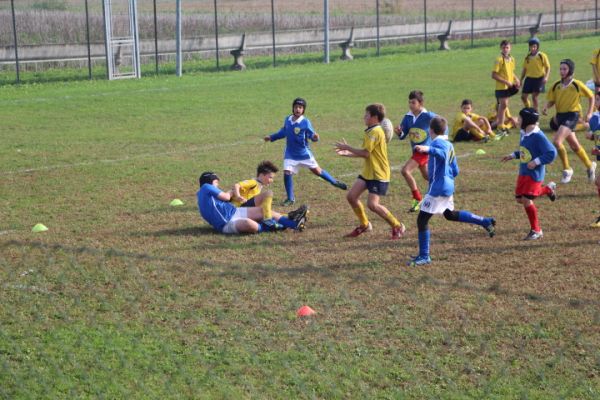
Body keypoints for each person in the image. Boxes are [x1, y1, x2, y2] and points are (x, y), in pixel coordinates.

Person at [407, 116, 496, 267]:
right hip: (447, 185)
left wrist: (427, 149)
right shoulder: (449, 144)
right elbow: (455, 170)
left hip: (438, 188)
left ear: (431, 130)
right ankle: (484, 221)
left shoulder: (437, 143)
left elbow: (440, 154)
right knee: (449, 214)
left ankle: (424, 256)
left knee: (422, 220)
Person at [334, 103, 406, 239]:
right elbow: (365, 153)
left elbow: (366, 153)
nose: (364, 117)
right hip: (369, 172)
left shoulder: (375, 132)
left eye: (366, 115)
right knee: (351, 197)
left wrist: (347, 147)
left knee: (372, 205)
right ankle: (365, 225)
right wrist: (347, 153)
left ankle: (397, 225)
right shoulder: (370, 130)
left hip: (378, 174)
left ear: (374, 117)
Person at [264, 97, 347, 206]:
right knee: (287, 173)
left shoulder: (305, 122)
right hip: (290, 153)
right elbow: (283, 132)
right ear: (293, 108)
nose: (298, 109)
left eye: (300, 107)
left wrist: (315, 137)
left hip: (304, 153)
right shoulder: (288, 119)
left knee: (317, 171)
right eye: (296, 107)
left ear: (303, 110)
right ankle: (290, 198)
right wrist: (271, 137)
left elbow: (312, 136)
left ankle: (334, 182)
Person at [501, 108, 557, 240]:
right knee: (519, 199)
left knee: (527, 199)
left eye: (520, 118)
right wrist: (513, 155)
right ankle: (548, 189)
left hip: (534, 174)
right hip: (523, 172)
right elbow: (524, 151)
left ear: (526, 121)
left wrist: (537, 162)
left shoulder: (538, 136)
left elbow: (552, 153)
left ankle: (536, 230)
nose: (517, 120)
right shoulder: (524, 132)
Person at [197, 171, 308, 234]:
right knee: (249, 224)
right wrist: (232, 191)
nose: (217, 186)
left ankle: (293, 224)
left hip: (234, 211)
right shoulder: (206, 187)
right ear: (211, 181)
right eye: (216, 182)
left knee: (263, 211)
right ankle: (278, 224)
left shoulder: (202, 195)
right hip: (226, 224)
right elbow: (226, 197)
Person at [542, 59, 597, 184]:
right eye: (560, 69)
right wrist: (546, 106)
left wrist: (589, 113)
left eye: (564, 69)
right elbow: (552, 100)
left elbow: (591, 96)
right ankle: (589, 166)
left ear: (570, 70)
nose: (562, 71)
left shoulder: (576, 84)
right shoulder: (556, 85)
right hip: (560, 116)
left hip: (573, 115)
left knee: (556, 141)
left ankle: (567, 169)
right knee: (574, 145)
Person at [394, 90, 436, 212]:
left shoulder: (428, 116)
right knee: (426, 176)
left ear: (420, 103)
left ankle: (417, 198)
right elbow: (403, 135)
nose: (410, 105)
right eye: (409, 102)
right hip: (415, 151)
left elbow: (442, 123)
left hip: (423, 151)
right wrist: (399, 132)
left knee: (405, 171)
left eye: (413, 102)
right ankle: (442, 186)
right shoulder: (407, 117)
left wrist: (443, 137)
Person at [491, 40, 520, 136]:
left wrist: (516, 79)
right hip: (501, 87)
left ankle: (500, 125)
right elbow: (494, 75)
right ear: (501, 48)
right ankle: (500, 125)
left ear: (510, 48)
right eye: (504, 47)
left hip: (509, 86)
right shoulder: (499, 60)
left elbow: (511, 71)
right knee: (503, 105)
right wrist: (506, 82)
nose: (505, 49)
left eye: (507, 47)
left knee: (504, 106)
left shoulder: (511, 59)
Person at [519, 37, 550, 111]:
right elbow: (524, 69)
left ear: (537, 47)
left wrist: (546, 77)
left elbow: (548, 67)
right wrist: (521, 79)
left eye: (534, 46)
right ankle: (528, 108)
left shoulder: (542, 56)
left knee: (534, 97)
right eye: (531, 46)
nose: (532, 48)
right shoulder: (527, 57)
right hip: (529, 79)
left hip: (539, 79)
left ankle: (535, 114)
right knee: (523, 97)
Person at [586, 92, 600, 227]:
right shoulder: (595, 118)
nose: (596, 102)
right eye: (595, 99)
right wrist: (591, 135)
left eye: (598, 100)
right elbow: (589, 134)